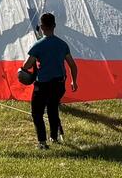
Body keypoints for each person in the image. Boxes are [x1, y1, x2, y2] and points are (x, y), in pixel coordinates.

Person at [19, 12, 78, 149]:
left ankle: (42, 142)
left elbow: (27, 65)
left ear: (41, 26)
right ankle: (54, 137)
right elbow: (72, 65)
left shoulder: (38, 45)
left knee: (37, 113)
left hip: (43, 85)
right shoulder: (63, 44)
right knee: (53, 110)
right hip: (59, 84)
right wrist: (74, 81)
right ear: (54, 26)